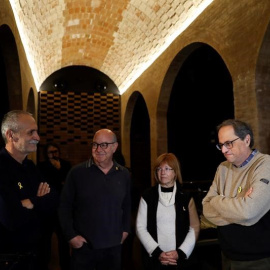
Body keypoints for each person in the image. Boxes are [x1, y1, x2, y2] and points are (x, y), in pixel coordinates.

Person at [58, 128, 132, 270]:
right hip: (85, 248)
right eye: (95, 144)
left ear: (114, 147)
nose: (98, 149)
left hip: (113, 248)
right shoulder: (77, 172)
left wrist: (125, 230)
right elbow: (64, 206)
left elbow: (127, 205)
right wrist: (71, 236)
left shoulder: (124, 174)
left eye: (104, 145)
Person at [202, 119, 270, 270]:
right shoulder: (223, 168)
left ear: (246, 140)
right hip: (226, 256)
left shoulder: (265, 165)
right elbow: (206, 209)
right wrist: (238, 206)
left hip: (257, 260)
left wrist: (217, 201)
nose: (224, 150)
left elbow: (248, 211)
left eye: (229, 143)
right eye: (221, 145)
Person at [0, 110, 58, 270]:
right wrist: (39, 200)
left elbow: (53, 200)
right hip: (10, 263)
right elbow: (11, 219)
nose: (38, 138)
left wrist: (30, 203)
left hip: (37, 258)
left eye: (37, 132)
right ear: (11, 135)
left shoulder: (31, 167)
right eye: (31, 132)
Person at [136, 153, 200, 270]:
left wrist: (180, 253)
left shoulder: (185, 197)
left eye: (166, 169)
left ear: (175, 172)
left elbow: (194, 227)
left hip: (179, 261)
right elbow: (140, 227)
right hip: (154, 260)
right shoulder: (147, 196)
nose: (162, 172)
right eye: (159, 169)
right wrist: (158, 253)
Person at [37, 142, 72, 270]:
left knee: (63, 238)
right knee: (45, 238)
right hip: (48, 208)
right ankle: (44, 264)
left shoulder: (66, 165)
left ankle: (66, 265)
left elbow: (68, 184)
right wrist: (57, 176)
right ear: (46, 154)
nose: (53, 154)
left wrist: (59, 172)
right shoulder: (42, 166)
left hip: (62, 207)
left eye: (55, 151)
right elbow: (46, 185)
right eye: (50, 152)